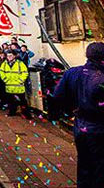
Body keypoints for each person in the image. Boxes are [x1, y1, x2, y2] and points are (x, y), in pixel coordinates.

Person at [52, 42, 104, 188]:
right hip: (100, 127)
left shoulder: (73, 73)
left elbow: (57, 96)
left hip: (81, 126)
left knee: (84, 162)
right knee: (100, 166)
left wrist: (68, 110)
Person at [0, 50, 31, 118]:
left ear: (14, 56)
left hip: (18, 86)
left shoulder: (20, 63)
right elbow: (1, 72)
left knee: (22, 101)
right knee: (11, 101)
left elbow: (25, 72)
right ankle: (12, 112)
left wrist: (20, 80)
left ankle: (26, 114)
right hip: (9, 86)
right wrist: (5, 79)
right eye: (7, 56)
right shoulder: (4, 64)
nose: (9, 57)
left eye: (10, 56)